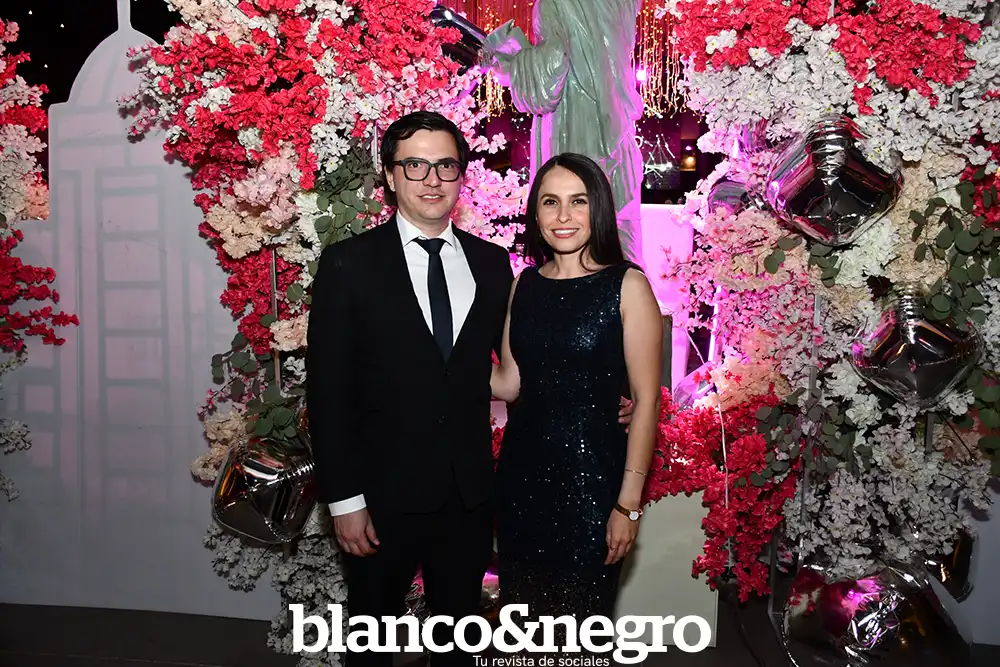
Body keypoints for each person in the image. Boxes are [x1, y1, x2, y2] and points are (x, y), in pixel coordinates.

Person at [305, 113, 632, 667]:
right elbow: (327, 393)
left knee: (460, 646)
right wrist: (345, 500)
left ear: (462, 175)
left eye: (446, 166)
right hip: (380, 499)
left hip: (470, 499)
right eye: (415, 165)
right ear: (391, 177)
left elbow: (522, 364)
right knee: (369, 644)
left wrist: (601, 399)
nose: (432, 179)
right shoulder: (349, 264)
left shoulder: (492, 263)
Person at [490, 153, 663, 648]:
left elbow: (647, 401)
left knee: (580, 634)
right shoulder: (523, 285)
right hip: (520, 483)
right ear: (536, 213)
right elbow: (509, 384)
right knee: (525, 630)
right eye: (550, 202)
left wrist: (628, 506)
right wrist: (436, 350)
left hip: (592, 488)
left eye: (578, 201)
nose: (563, 216)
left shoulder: (627, 286)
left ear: (598, 209)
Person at [482, 0, 644, 266]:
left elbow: (554, 65)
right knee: (613, 216)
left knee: (571, 209)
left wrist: (510, 60)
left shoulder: (556, 3)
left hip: (572, 120)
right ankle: (625, 282)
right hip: (614, 119)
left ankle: (574, 282)